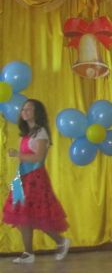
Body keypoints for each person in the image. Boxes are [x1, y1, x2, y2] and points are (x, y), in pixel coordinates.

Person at [2, 99, 70, 264]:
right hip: (22, 177)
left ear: (36, 112)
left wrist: (17, 154)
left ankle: (61, 241)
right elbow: (25, 159)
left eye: (28, 109)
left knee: (38, 215)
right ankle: (28, 253)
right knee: (21, 214)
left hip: (35, 178)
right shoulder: (25, 134)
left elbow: (39, 157)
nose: (24, 112)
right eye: (23, 109)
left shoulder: (41, 133)